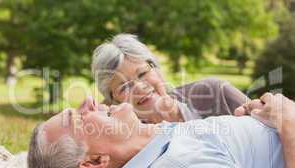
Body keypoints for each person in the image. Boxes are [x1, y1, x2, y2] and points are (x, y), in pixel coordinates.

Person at [28, 96, 294, 168]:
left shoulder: (162, 141)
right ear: (94, 161)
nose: (88, 101)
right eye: (77, 117)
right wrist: (288, 121)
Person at [91, 34, 248, 123]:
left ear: (156, 69)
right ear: (115, 102)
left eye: (142, 74)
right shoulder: (125, 142)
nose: (139, 87)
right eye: (124, 87)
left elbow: (268, 126)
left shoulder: (216, 92)